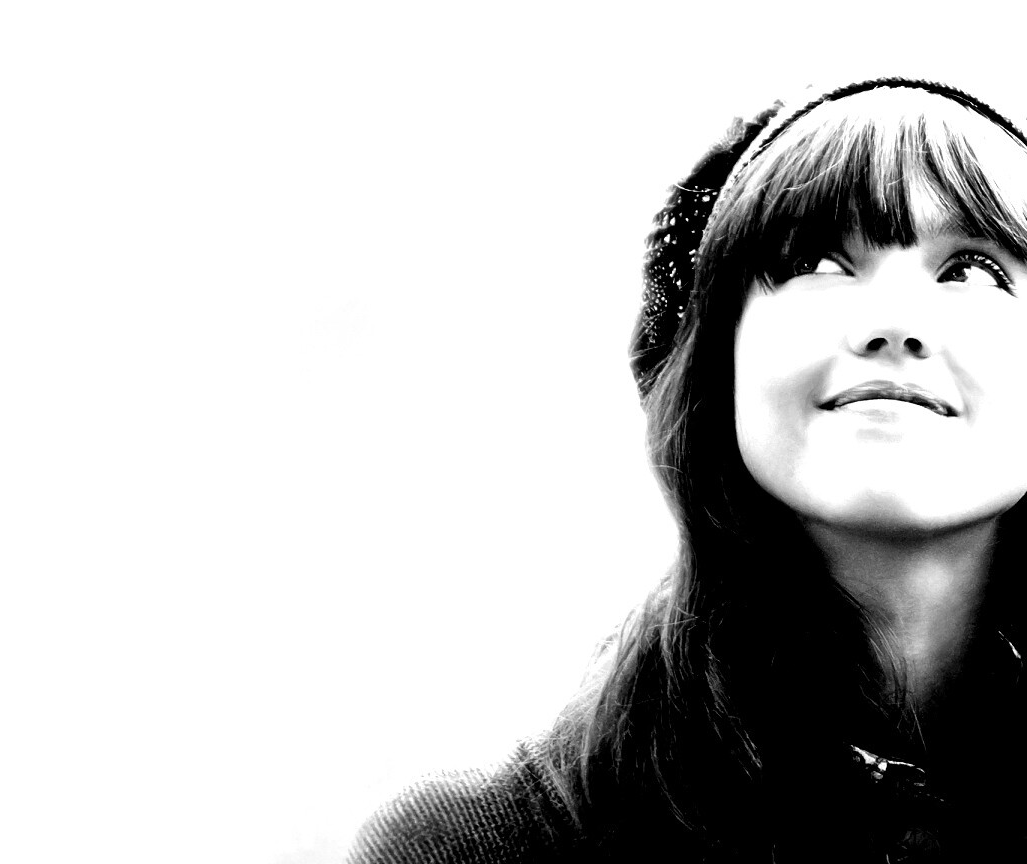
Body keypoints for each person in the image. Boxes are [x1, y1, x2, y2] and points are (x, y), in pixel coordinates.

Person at [346, 76, 1027, 863]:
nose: (895, 324)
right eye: (819, 261)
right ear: (715, 361)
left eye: (973, 270)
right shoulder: (475, 846)